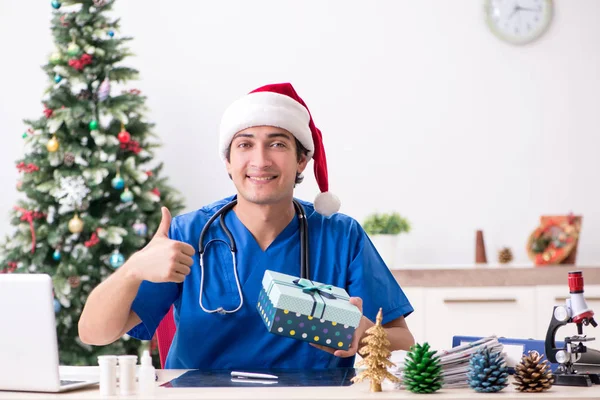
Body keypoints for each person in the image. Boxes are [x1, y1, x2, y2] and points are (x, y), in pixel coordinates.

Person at [78, 83, 414, 370]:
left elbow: (404, 340)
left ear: (302, 160)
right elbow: (94, 333)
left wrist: (366, 333)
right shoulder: (188, 234)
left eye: (278, 143)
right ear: (227, 161)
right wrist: (132, 270)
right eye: (245, 144)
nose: (260, 160)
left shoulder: (342, 236)